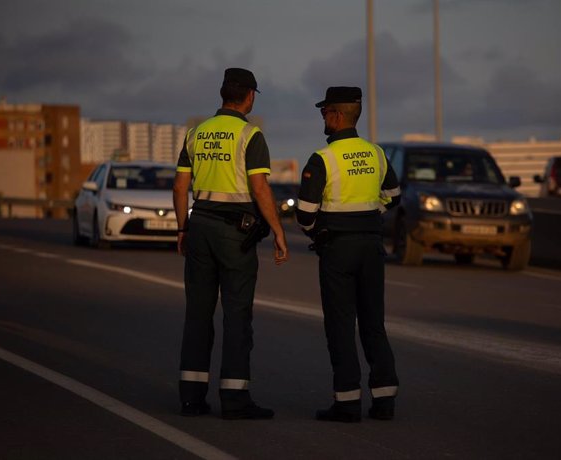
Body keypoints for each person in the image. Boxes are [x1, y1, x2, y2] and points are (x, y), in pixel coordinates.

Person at [172, 67, 288, 420]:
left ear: (223, 94)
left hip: (201, 226)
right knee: (237, 314)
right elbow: (260, 188)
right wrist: (278, 231)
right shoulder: (250, 136)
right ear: (250, 96)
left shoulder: (197, 133)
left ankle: (192, 398)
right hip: (235, 232)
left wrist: (182, 230)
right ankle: (235, 399)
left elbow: (180, 188)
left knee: (198, 314)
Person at [296, 86, 401, 422]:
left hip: (337, 248)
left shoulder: (322, 159)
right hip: (371, 246)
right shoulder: (376, 154)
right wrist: (372, 215)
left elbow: (305, 213)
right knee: (373, 324)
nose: (322, 118)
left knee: (341, 326)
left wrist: (319, 233)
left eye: (325, 112)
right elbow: (394, 196)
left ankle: (347, 403)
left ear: (337, 115)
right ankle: (384, 401)